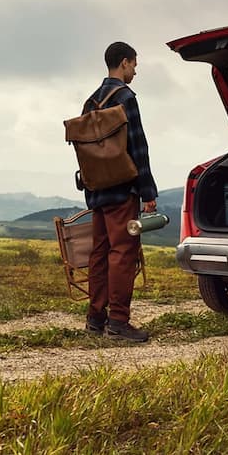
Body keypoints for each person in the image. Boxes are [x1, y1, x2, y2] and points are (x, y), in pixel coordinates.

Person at [82, 41, 158, 342]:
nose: (135, 71)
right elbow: (138, 146)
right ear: (124, 62)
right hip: (122, 189)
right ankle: (118, 322)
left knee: (99, 253)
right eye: (134, 65)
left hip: (96, 189)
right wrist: (147, 190)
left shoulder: (90, 101)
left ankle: (95, 318)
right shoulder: (126, 97)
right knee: (123, 253)